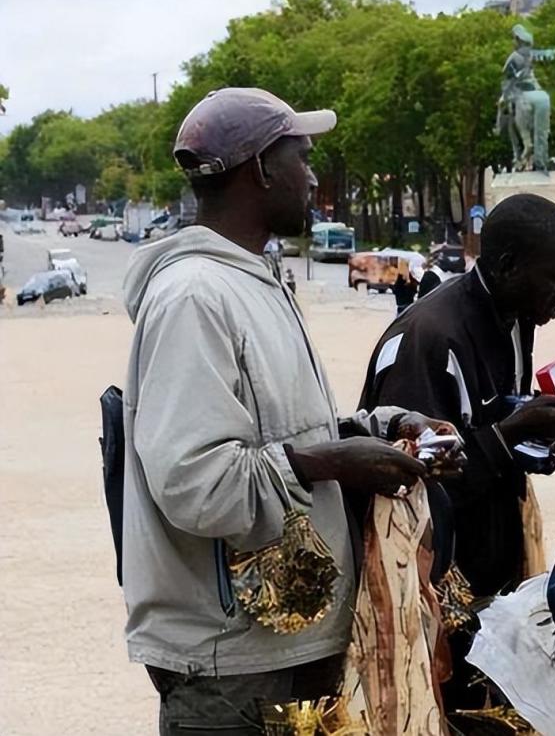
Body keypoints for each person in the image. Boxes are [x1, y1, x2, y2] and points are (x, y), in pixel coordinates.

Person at [122, 88, 451, 734]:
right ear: (261, 170)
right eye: (302, 157)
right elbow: (196, 484)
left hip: (279, 651)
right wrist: (329, 462)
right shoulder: (195, 296)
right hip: (233, 666)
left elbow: (281, 432)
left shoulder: (248, 277)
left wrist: (388, 430)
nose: (314, 176)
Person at [358, 193, 555, 725]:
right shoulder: (428, 338)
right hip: (437, 586)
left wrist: (540, 436)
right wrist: (512, 431)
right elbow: (409, 486)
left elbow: (491, 425)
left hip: (491, 573)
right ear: (507, 265)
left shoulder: (515, 316)